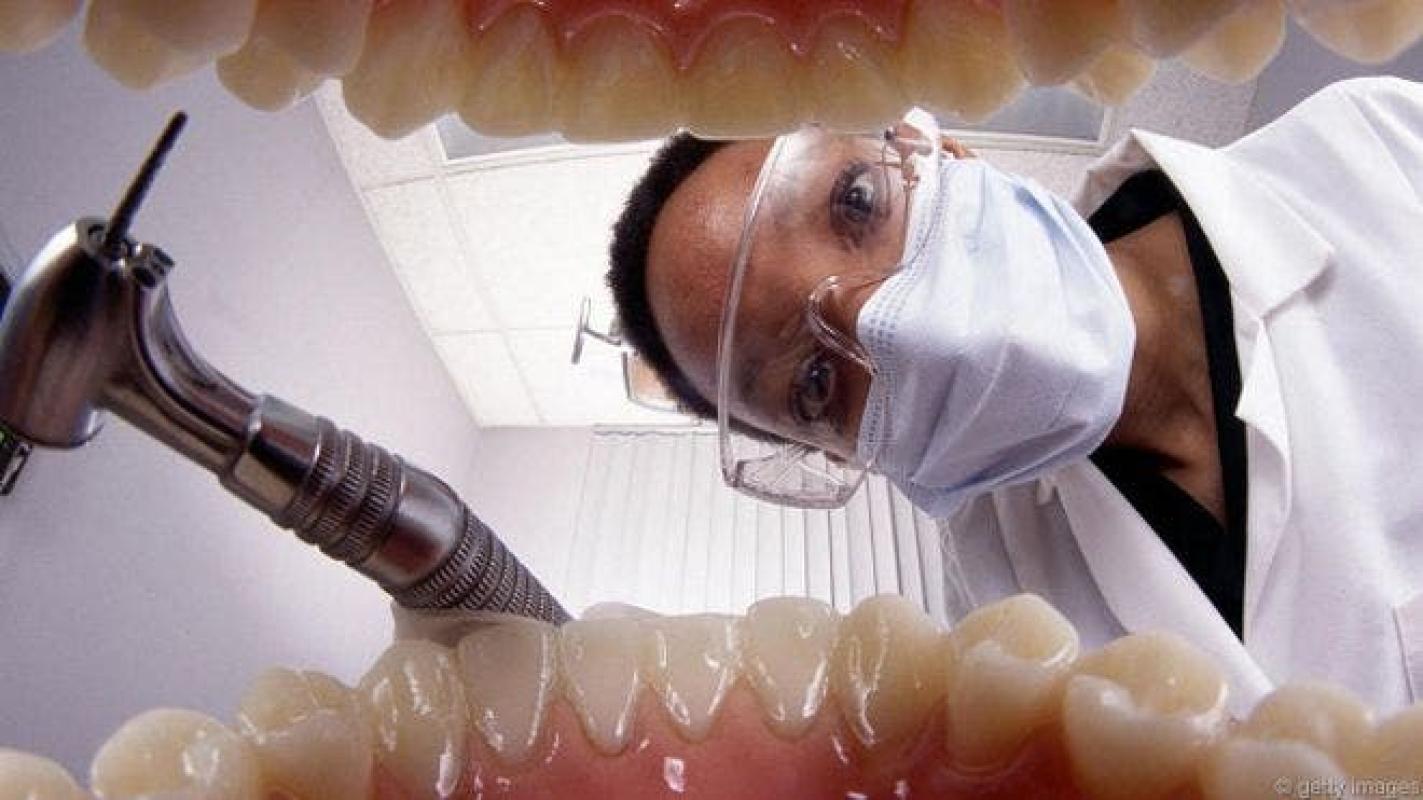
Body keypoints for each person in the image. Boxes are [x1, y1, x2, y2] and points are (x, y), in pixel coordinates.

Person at [606, 77, 1423, 714]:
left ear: (942, 153)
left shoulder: (1381, 152)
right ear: (843, 453)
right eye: (817, 383)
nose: (892, 321)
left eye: (856, 203)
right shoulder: (1003, 627)